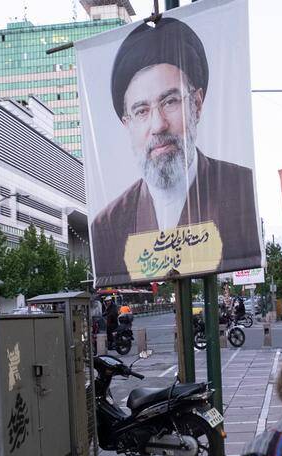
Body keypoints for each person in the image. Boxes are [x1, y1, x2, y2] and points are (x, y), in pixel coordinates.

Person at [90, 18, 262, 284]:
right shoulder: (107, 227)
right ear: (127, 125)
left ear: (197, 104)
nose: (158, 125)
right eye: (141, 111)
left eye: (170, 101)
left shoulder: (242, 192)